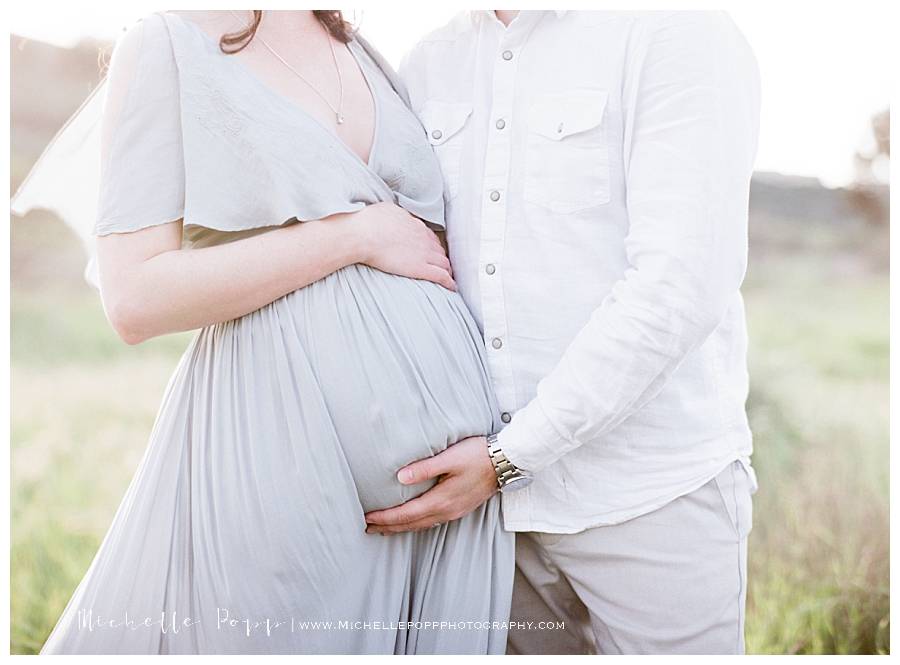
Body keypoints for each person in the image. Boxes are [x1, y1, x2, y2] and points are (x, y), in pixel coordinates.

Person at [14, 9, 514, 654]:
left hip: (456, 507)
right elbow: (135, 297)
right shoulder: (168, 41)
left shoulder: (359, 48)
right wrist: (352, 237)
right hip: (283, 460)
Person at [371, 9, 761, 654]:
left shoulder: (675, 31)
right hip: (480, 522)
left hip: (652, 497)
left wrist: (510, 456)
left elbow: (680, 285)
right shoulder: (427, 60)